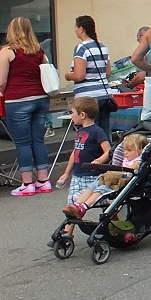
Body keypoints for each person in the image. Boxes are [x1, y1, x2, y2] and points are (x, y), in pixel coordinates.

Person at [0, 17, 53, 196]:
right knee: (38, 140)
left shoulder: (7, 51)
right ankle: (43, 181)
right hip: (40, 99)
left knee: (22, 142)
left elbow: (1, 82)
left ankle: (27, 183)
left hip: (18, 100)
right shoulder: (39, 51)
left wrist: (3, 92)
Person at [54, 96, 111, 238]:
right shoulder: (80, 132)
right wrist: (66, 173)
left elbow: (108, 150)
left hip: (91, 175)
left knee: (102, 202)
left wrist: (99, 160)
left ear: (82, 115)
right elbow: (75, 153)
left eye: (72, 113)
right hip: (77, 175)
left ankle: (113, 223)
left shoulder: (97, 131)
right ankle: (67, 234)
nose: (71, 116)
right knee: (72, 205)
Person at [61, 133, 146, 218]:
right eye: (124, 150)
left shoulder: (138, 161)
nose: (125, 153)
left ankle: (84, 206)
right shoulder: (126, 159)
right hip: (115, 177)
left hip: (124, 179)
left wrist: (116, 174)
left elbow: (128, 173)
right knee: (93, 185)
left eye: (129, 150)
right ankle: (77, 204)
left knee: (101, 189)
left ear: (140, 151)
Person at [64, 15, 115, 136]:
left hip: (88, 97)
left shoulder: (81, 48)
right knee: (104, 132)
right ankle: (107, 153)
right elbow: (107, 73)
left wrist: (68, 75)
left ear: (81, 29)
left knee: (91, 132)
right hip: (104, 94)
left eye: (76, 27)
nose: (75, 30)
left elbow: (79, 75)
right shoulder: (102, 47)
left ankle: (93, 155)